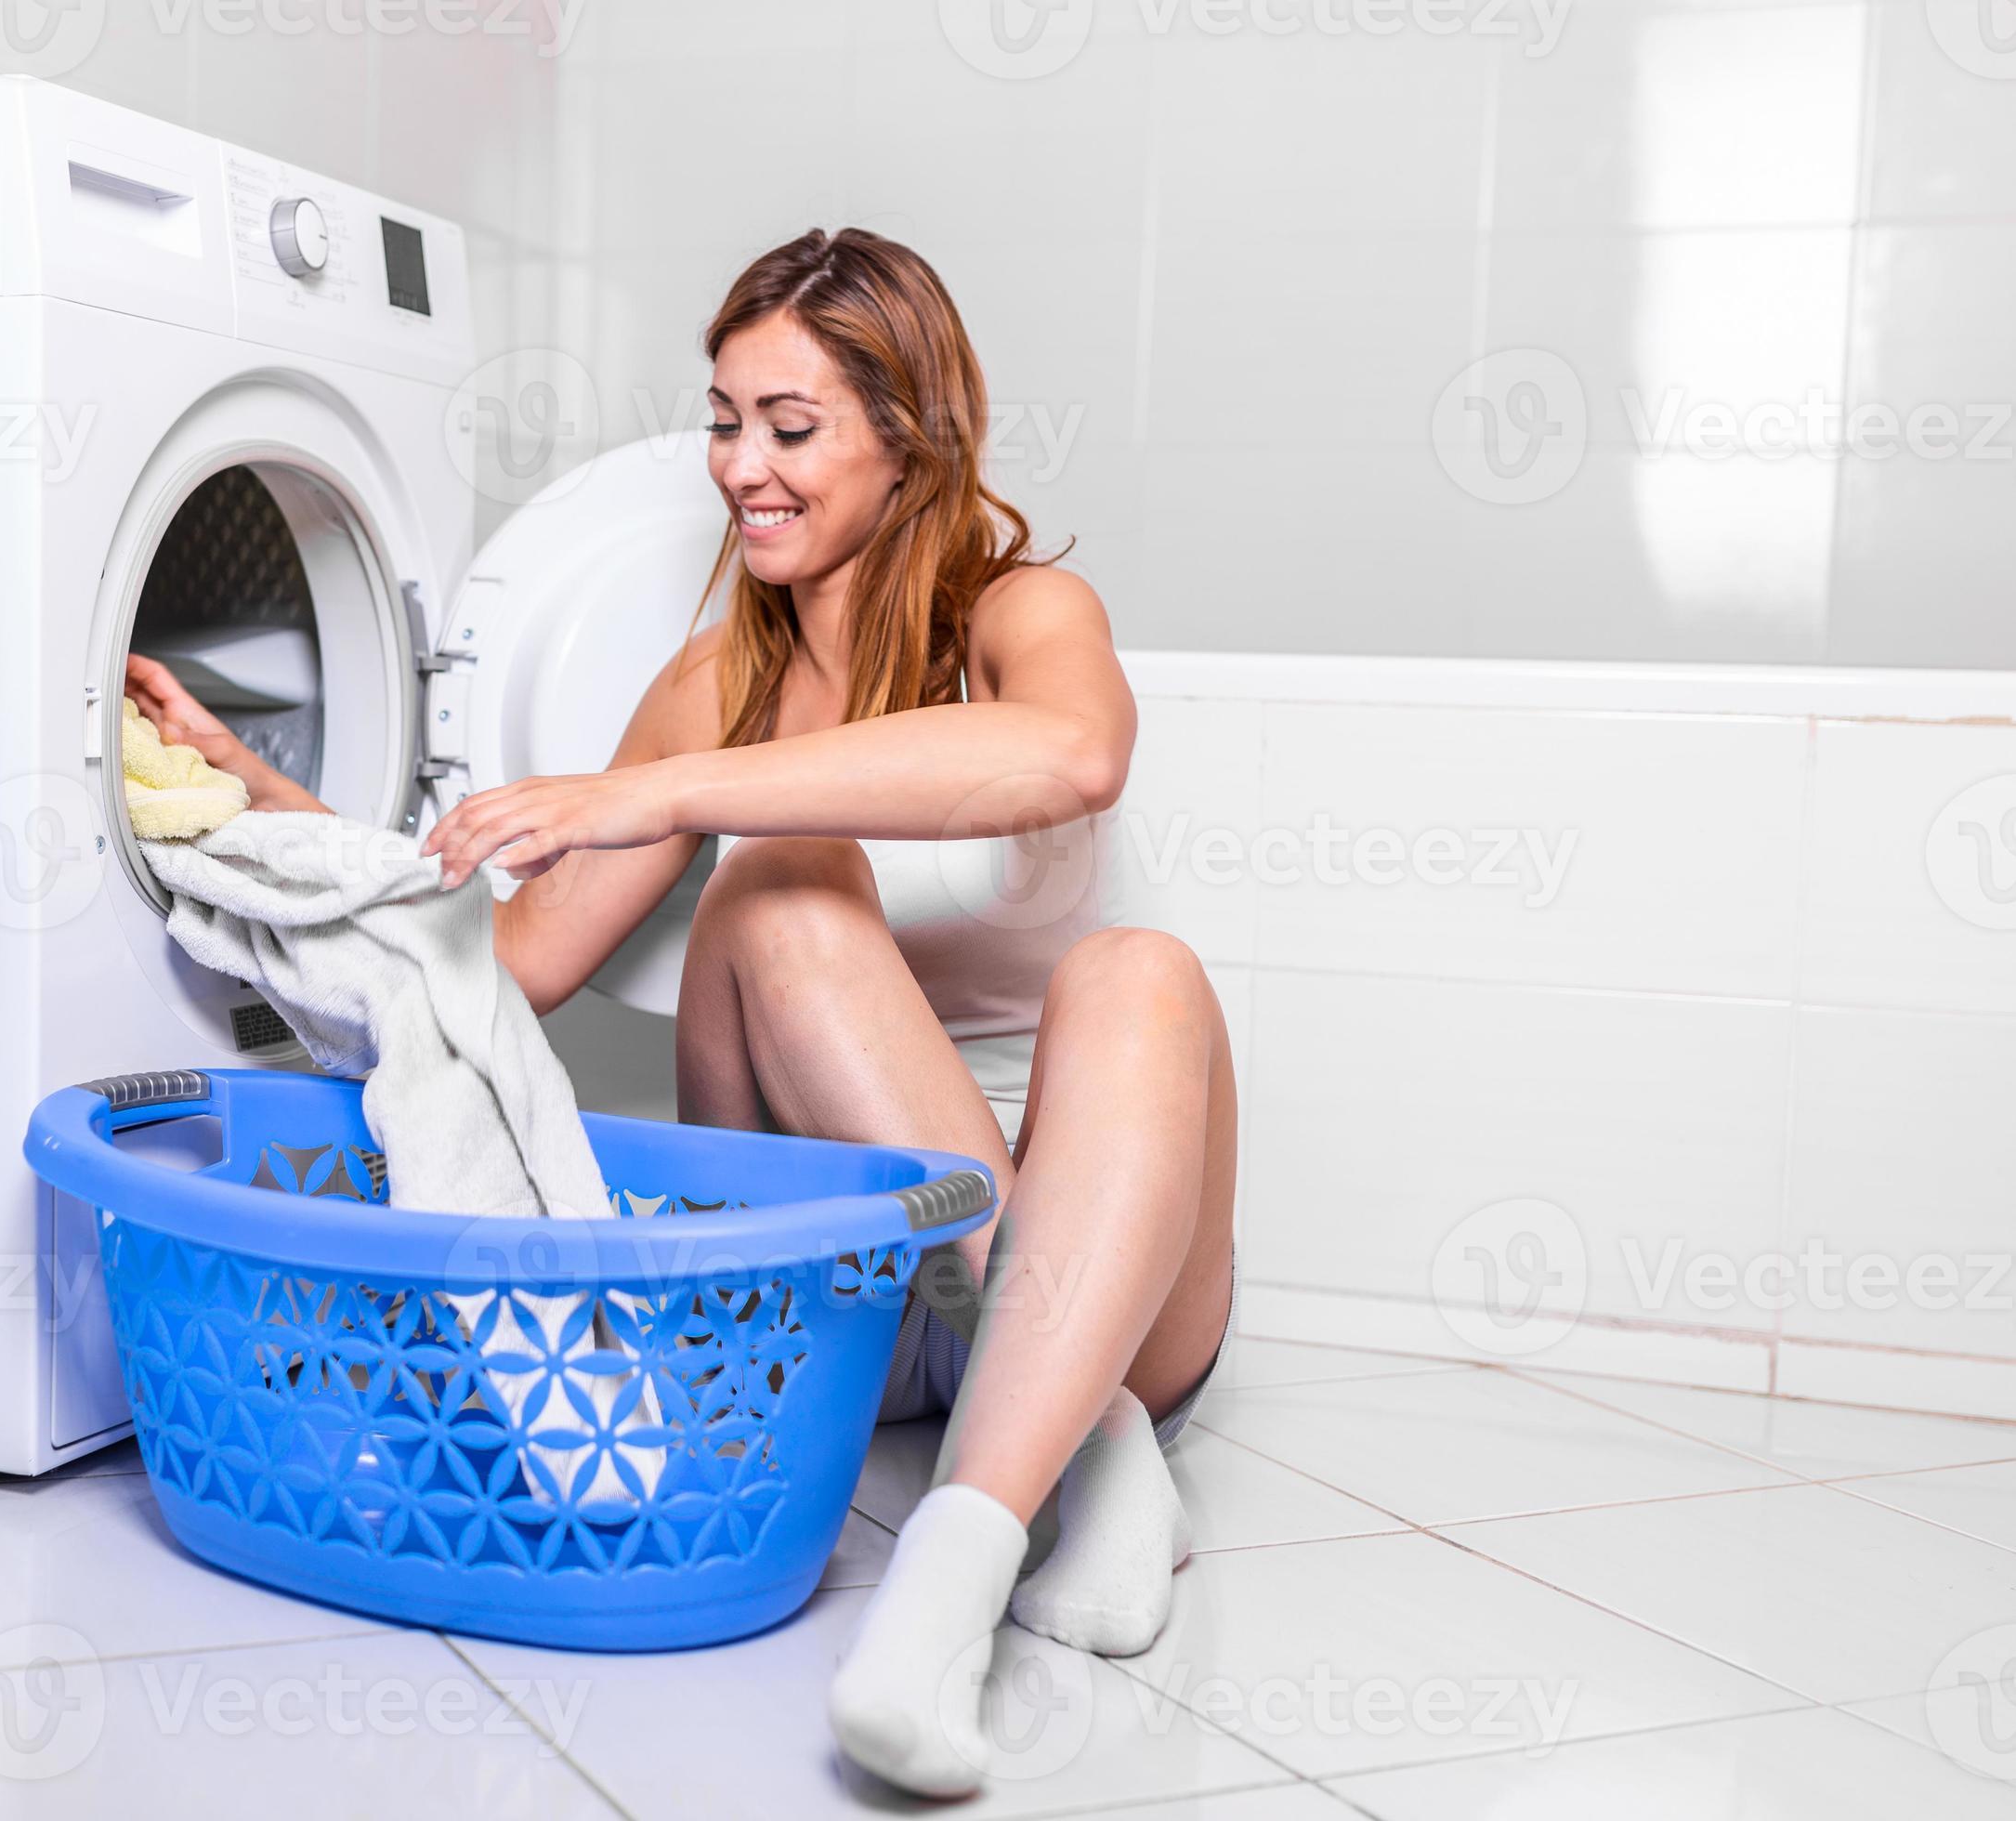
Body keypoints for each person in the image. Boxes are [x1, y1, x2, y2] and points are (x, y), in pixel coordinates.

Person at [124, 226, 1237, 1800]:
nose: (740, 467)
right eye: (726, 419)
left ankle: (966, 1554)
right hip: (865, 1291)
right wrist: (260, 800)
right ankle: (1097, 1463)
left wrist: (655, 790)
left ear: (907, 433)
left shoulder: (1021, 614)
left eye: (792, 427)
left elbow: (1075, 760)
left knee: (1145, 975)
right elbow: (498, 971)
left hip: (1104, 1265)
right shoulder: (715, 677)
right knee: (780, 887)